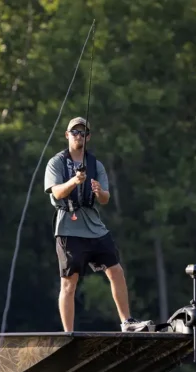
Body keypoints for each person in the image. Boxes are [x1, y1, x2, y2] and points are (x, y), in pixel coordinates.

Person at [44, 117, 151, 332]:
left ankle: (127, 322)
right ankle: (69, 333)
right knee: (69, 282)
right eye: (74, 132)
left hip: (94, 227)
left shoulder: (96, 165)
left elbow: (105, 198)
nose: (79, 136)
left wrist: (98, 191)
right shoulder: (55, 162)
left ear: (88, 137)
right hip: (68, 228)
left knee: (116, 271)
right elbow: (55, 191)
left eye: (83, 133)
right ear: (67, 135)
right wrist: (75, 181)